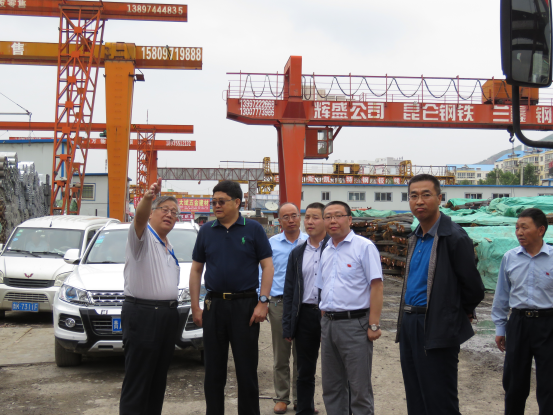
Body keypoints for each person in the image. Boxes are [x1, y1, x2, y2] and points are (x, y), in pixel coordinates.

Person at [396, 174, 485, 415]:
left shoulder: (453, 237)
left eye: (426, 195)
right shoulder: (416, 237)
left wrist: (452, 313)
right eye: (413, 196)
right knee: (415, 396)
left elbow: (474, 288)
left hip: (436, 326)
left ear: (439, 198)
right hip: (410, 323)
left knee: (439, 400)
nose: (419, 201)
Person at [189, 180, 274, 415]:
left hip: (245, 306)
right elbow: (196, 270)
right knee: (213, 371)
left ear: (237, 202)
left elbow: (268, 267)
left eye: (221, 201)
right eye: (213, 201)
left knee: (246, 370)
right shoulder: (206, 230)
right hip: (214, 305)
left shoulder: (253, 229)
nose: (216, 205)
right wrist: (196, 307)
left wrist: (263, 302)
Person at [315, 200, 383, 415]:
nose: (332, 221)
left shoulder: (364, 247)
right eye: (328, 217)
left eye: (338, 215)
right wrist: (324, 323)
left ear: (350, 219)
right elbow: (323, 288)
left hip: (355, 325)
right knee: (332, 386)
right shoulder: (326, 250)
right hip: (329, 325)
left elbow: (376, 286)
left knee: (359, 388)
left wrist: (373, 324)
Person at [119, 178, 181, 415]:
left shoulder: (169, 245)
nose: (169, 215)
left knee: (158, 378)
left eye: (174, 212)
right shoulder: (142, 238)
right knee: (139, 379)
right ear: (152, 213)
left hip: (166, 316)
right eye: (164, 209)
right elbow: (139, 218)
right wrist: (147, 198)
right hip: (144, 314)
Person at [492, 208, 553, 415]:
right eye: (517, 227)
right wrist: (500, 327)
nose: (519, 232)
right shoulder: (510, 257)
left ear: (541, 230)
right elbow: (501, 295)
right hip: (518, 323)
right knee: (514, 383)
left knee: (549, 384)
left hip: (548, 324)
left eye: (524, 227)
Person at [282, 202, 330, 415]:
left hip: (330, 315)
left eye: (315, 217)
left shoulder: (335, 248)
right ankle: (304, 410)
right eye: (307, 217)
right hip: (305, 316)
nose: (309, 222)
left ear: (325, 220)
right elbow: (289, 290)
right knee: (304, 370)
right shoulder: (297, 253)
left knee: (335, 369)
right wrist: (288, 325)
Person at [264, 202, 308, 414]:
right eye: (285, 217)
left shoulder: (310, 242)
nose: (291, 220)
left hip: (305, 304)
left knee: (303, 354)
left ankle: (302, 398)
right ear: (279, 221)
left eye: (294, 215)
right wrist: (262, 300)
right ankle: (282, 397)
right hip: (279, 303)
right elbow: (262, 272)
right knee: (281, 354)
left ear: (299, 217)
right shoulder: (271, 244)